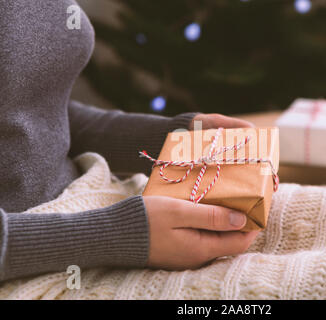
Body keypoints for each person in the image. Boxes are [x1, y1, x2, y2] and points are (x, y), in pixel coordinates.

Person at [0, 0, 259, 282]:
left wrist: (169, 141)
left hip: (96, 205)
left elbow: (30, 111)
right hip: (47, 261)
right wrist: (116, 235)